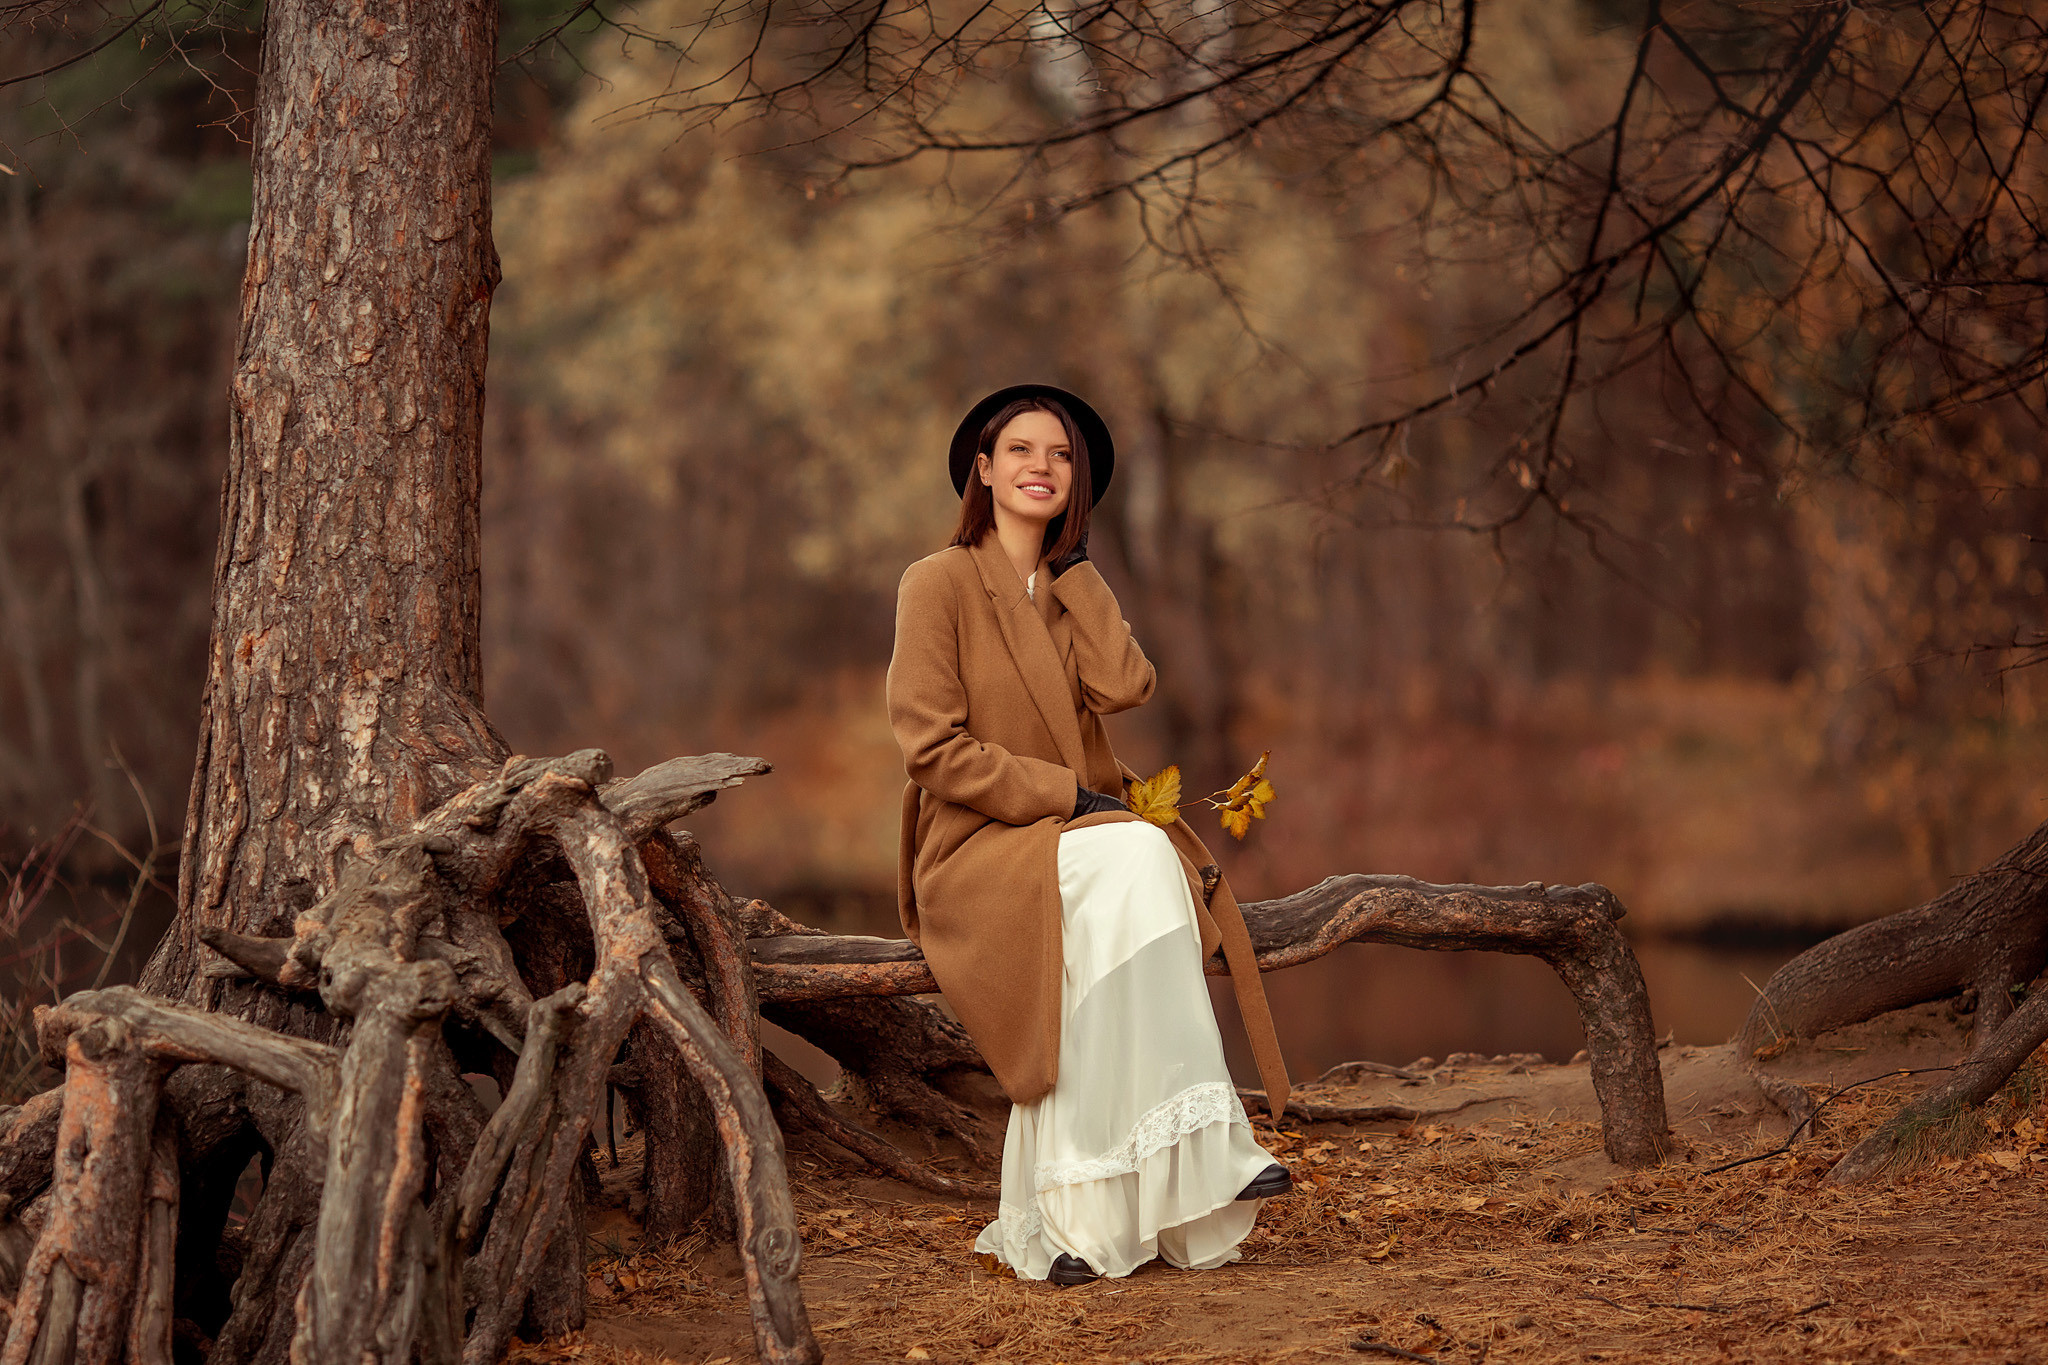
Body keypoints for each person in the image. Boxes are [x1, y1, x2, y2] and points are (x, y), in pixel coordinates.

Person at [886, 383, 1294, 1286]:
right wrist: (1066, 795)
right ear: (982, 469)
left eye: (1061, 454)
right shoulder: (937, 581)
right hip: (978, 848)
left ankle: (1076, 1214)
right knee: (1143, 854)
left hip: (1082, 842)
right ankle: (1214, 1148)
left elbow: (1127, 684)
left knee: (1116, 942)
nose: (1042, 466)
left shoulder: (1068, 591)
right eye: (1020, 450)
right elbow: (929, 747)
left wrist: (1076, 573)